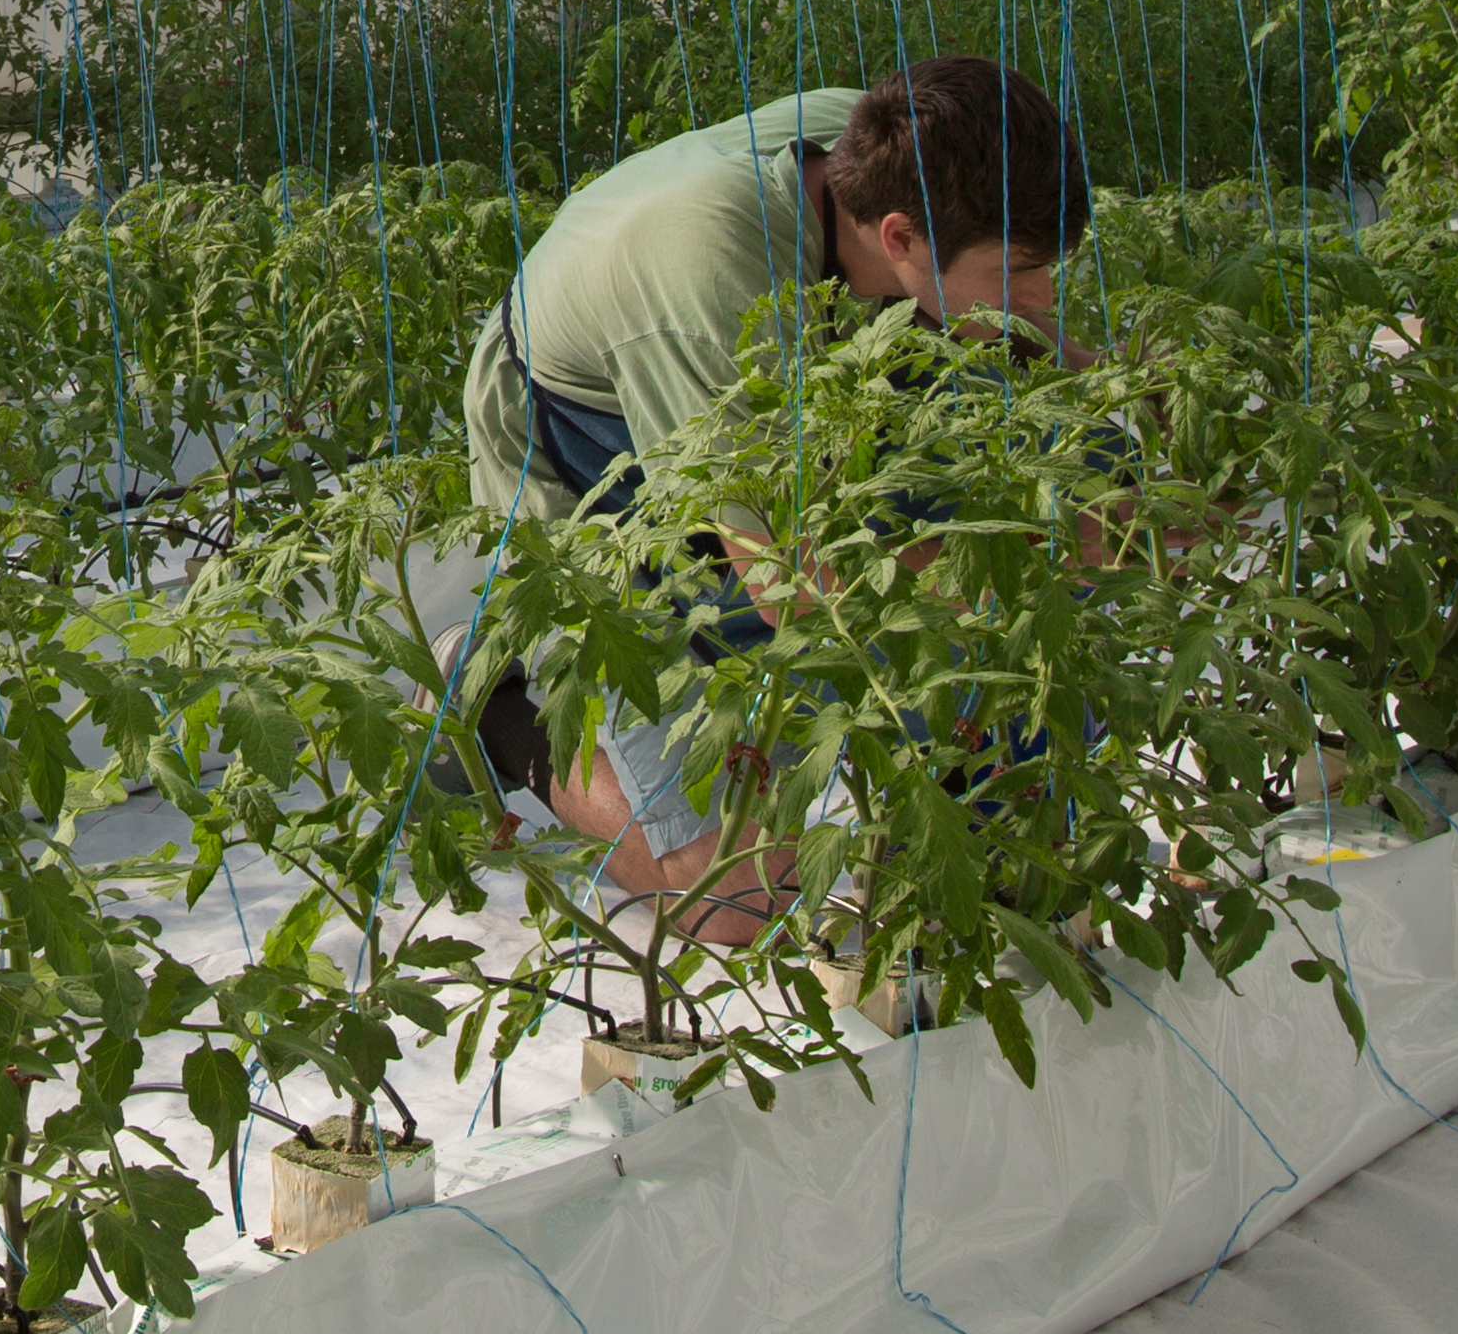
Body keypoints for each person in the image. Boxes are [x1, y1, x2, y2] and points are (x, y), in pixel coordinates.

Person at [458, 58, 1090, 936]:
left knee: (996, 681)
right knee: (734, 897)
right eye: (1021, 272)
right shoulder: (713, 278)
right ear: (900, 239)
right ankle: (498, 704)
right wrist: (1010, 600)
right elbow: (792, 580)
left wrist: (1108, 422)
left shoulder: (885, 149)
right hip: (581, 434)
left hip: (759, 377)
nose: (1043, 299)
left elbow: (1026, 340)